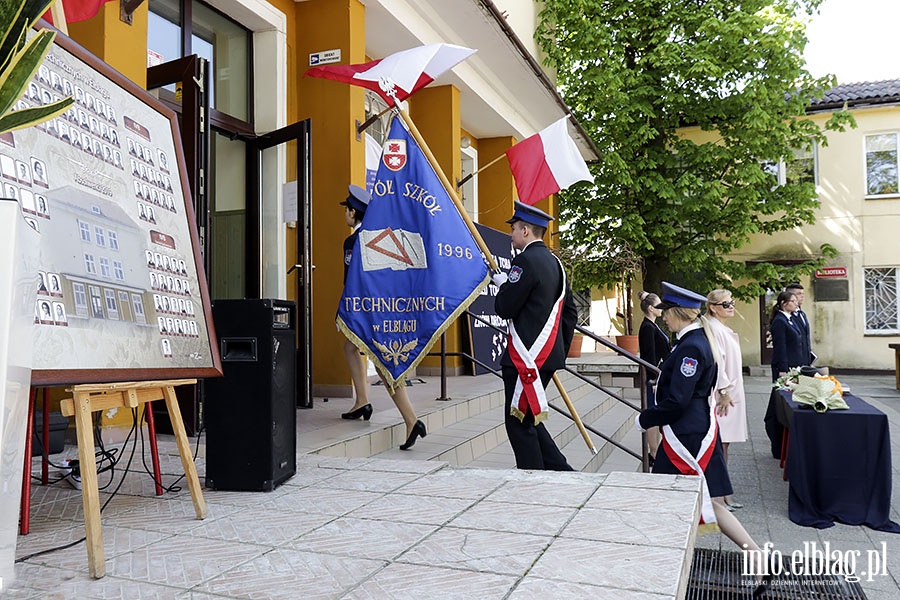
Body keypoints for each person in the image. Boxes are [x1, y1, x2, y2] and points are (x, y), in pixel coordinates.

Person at [635, 282, 771, 598]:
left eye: (665, 312)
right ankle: (755, 555)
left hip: (687, 434)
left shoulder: (692, 347)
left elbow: (679, 400)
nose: (662, 318)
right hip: (691, 429)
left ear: (676, 312)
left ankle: (665, 561)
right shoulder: (693, 340)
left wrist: (647, 418)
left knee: (670, 496)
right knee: (702, 499)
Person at [338, 184, 425, 450]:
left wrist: (346, 312)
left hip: (369, 311)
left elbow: (352, 282)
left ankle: (411, 420)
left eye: (347, 211)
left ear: (353, 212)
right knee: (351, 347)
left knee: (386, 363)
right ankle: (362, 400)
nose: (345, 215)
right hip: (389, 309)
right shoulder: (384, 237)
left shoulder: (354, 241)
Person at [493, 201, 577, 471]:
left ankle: (532, 478)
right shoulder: (556, 264)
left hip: (524, 358)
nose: (511, 235)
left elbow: (505, 307)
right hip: (546, 356)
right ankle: (560, 470)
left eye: (514, 229)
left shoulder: (525, 261)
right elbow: (570, 314)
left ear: (526, 231)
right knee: (529, 417)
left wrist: (503, 286)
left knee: (518, 422)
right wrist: (557, 352)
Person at [706, 289, 748, 510]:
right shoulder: (713, 328)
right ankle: (717, 495)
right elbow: (717, 361)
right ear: (713, 307)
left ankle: (723, 492)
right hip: (725, 396)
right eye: (725, 304)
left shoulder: (721, 327)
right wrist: (723, 391)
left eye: (732, 302)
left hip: (731, 394)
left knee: (725, 444)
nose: (731, 306)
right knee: (719, 445)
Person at [638, 291, 670, 406]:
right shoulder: (648, 327)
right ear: (651, 308)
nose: (661, 308)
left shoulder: (652, 325)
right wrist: (654, 379)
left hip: (658, 374)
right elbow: (648, 355)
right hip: (652, 377)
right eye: (659, 305)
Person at [769, 290, 805, 382]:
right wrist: (783, 369)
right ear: (783, 303)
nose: (796, 304)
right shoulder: (780, 321)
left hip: (795, 365)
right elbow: (780, 346)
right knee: (782, 394)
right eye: (792, 301)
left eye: (796, 301)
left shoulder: (790, 319)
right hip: (786, 366)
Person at [785, 283, 814, 365]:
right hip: (792, 361)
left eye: (803, 294)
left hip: (805, 360)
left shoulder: (802, 314)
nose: (802, 296)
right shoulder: (786, 316)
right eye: (799, 294)